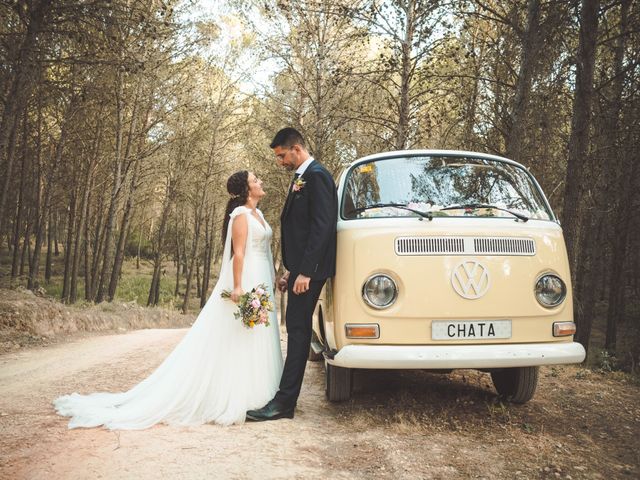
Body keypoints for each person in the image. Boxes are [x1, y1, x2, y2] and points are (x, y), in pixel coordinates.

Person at [53, 171, 283, 429]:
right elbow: (238, 254)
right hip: (246, 277)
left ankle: (261, 391)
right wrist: (239, 286)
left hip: (262, 276)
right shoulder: (240, 216)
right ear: (246, 190)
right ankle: (239, 395)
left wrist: (275, 280)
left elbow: (263, 251)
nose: (260, 182)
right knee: (239, 335)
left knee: (255, 334)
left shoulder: (259, 215)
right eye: (255, 180)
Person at [246, 127, 337, 422]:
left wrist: (306, 273)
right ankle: (285, 399)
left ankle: (284, 404)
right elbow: (301, 229)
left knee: (298, 332)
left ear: (296, 149)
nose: (280, 161)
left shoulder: (317, 176)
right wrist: (291, 271)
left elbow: (322, 227)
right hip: (300, 270)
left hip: (311, 272)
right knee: (296, 330)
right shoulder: (301, 177)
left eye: (282, 155)